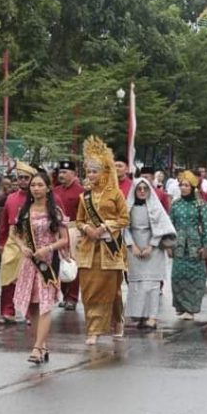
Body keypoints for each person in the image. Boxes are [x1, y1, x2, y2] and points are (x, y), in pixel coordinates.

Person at [12, 170, 69, 364]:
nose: (36, 189)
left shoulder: (55, 212)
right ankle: (41, 344)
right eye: (33, 185)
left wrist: (48, 248)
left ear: (48, 188)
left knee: (45, 305)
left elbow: (64, 239)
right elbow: (16, 233)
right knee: (34, 305)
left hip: (47, 263)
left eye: (40, 185)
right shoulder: (25, 210)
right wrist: (22, 247)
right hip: (29, 263)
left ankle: (36, 348)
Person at [76, 137, 129, 345]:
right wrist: (87, 228)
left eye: (94, 171)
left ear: (104, 172)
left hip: (110, 249)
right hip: (89, 249)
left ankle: (116, 320)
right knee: (89, 290)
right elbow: (78, 220)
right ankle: (93, 329)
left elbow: (125, 219)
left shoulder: (115, 194)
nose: (91, 175)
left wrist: (106, 226)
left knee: (110, 290)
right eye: (88, 171)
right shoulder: (84, 197)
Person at [123, 177, 176, 329]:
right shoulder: (128, 208)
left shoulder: (155, 207)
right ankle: (139, 316)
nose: (141, 191)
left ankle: (152, 317)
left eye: (144, 189)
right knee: (137, 284)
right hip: (134, 248)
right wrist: (131, 245)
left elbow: (162, 228)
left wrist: (151, 246)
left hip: (154, 249)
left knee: (152, 285)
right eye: (138, 189)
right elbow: (123, 228)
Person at [0, 162, 37, 324]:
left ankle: (29, 313)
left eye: (26, 178)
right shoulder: (11, 198)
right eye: (20, 178)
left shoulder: (39, 198)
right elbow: (4, 224)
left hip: (32, 241)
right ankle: (7, 311)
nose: (22, 181)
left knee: (30, 279)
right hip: (12, 242)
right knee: (7, 278)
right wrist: (0, 243)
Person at [170, 171, 207, 318]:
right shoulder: (175, 205)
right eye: (181, 185)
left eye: (186, 185)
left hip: (196, 244)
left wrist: (206, 245)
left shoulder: (201, 204)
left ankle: (191, 308)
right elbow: (170, 225)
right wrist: (169, 245)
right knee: (178, 275)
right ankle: (181, 306)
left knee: (196, 276)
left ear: (193, 187)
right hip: (179, 244)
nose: (183, 188)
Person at [53, 160, 84, 311]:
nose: (62, 175)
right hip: (57, 230)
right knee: (59, 263)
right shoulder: (55, 191)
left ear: (74, 174)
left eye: (65, 172)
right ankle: (64, 295)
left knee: (71, 263)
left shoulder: (81, 191)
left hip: (73, 229)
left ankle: (72, 297)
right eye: (60, 172)